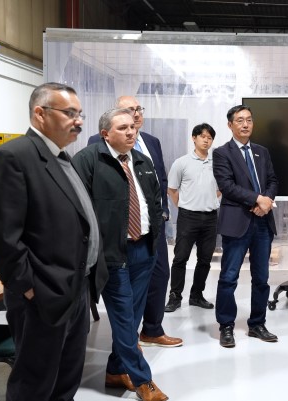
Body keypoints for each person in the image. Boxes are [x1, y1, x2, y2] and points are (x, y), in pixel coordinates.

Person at [0, 82, 108, 401]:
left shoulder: (62, 158)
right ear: (40, 113)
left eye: (80, 114)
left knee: (66, 379)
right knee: (35, 385)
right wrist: (29, 287)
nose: (79, 121)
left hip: (75, 290)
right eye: (70, 113)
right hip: (42, 296)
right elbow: (2, 236)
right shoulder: (13, 157)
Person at [73, 108, 168, 401]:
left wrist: (158, 230)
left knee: (133, 316)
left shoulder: (141, 161)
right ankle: (143, 380)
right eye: (123, 127)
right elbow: (78, 210)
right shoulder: (88, 160)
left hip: (144, 251)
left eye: (133, 127)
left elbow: (154, 199)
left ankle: (115, 371)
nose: (132, 132)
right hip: (113, 255)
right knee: (125, 318)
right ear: (105, 134)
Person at [88, 95, 182, 348]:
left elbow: (159, 180)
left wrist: (160, 213)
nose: (136, 115)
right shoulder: (97, 144)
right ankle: (128, 340)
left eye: (138, 109)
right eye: (129, 111)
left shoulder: (151, 141)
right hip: (119, 231)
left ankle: (152, 329)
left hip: (152, 225)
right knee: (124, 286)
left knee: (160, 275)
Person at [212, 105, 279, 348]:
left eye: (249, 120)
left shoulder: (262, 151)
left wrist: (266, 201)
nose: (245, 124)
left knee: (261, 278)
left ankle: (257, 324)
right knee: (229, 277)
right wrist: (256, 199)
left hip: (262, 222)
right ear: (230, 125)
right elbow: (227, 186)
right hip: (237, 222)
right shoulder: (222, 153)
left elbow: (272, 180)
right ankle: (226, 326)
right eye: (240, 120)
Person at [165, 123, 220, 312]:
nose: (206, 140)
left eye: (210, 137)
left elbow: (222, 188)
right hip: (188, 217)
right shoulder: (181, 162)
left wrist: (212, 198)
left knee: (205, 259)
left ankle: (197, 295)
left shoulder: (217, 163)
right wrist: (183, 205)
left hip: (211, 217)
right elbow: (172, 189)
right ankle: (175, 296)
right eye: (202, 136)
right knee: (181, 258)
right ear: (194, 138)